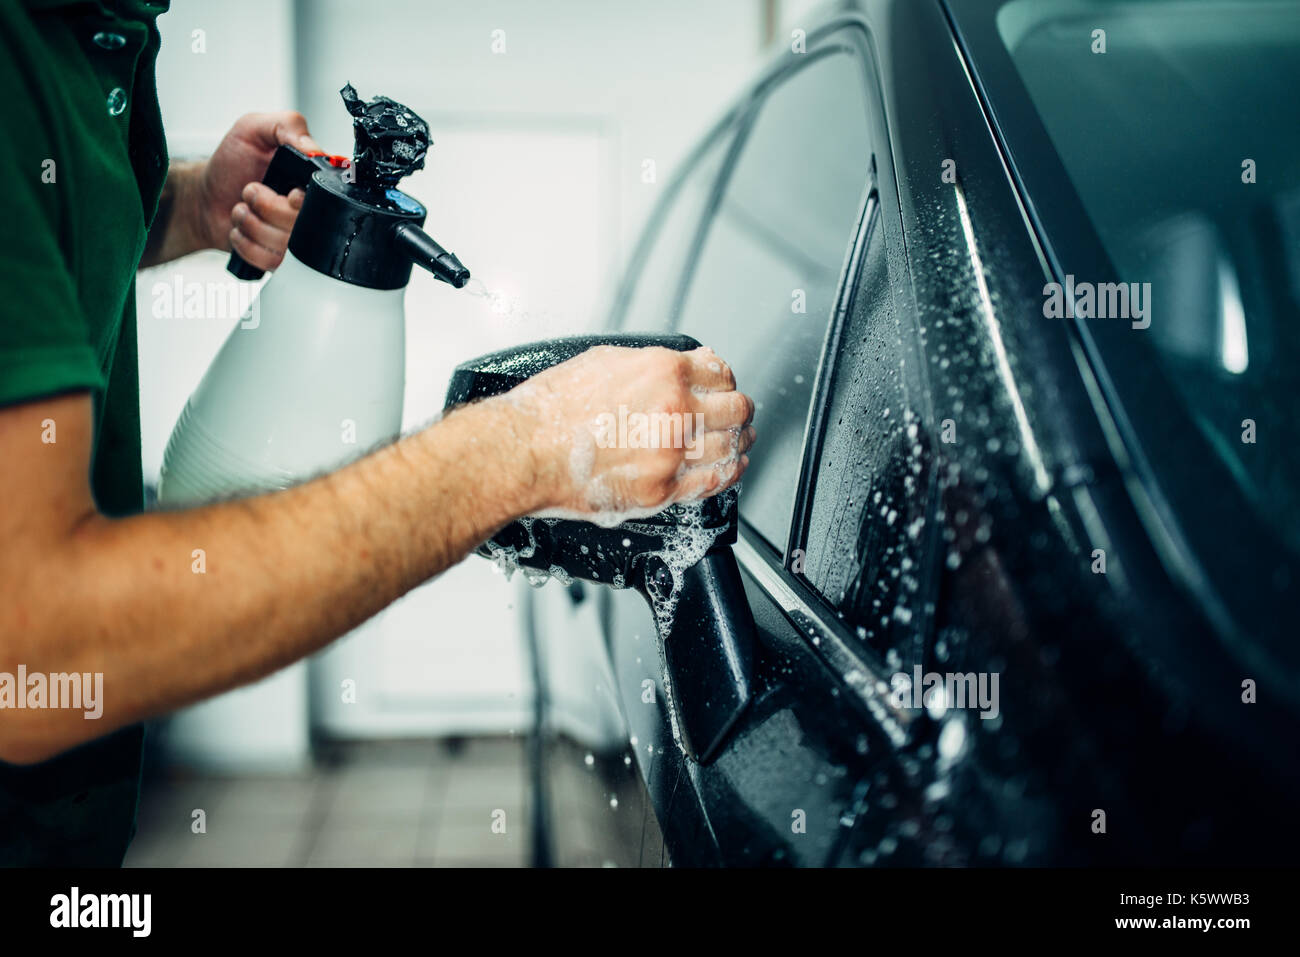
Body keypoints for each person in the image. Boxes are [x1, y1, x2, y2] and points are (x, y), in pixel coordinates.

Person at [0, 0, 754, 865]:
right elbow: (33, 654)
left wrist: (185, 203)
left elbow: (38, 227)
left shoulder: (110, 25)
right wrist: (527, 447)